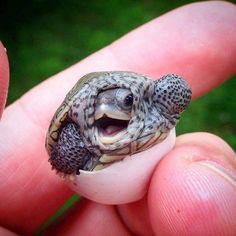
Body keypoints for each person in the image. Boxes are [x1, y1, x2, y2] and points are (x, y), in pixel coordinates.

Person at [0, 1, 235, 235]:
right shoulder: (81, 132)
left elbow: (176, 88)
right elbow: (66, 143)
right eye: (98, 110)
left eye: (123, 103)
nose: (105, 111)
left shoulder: (154, 108)